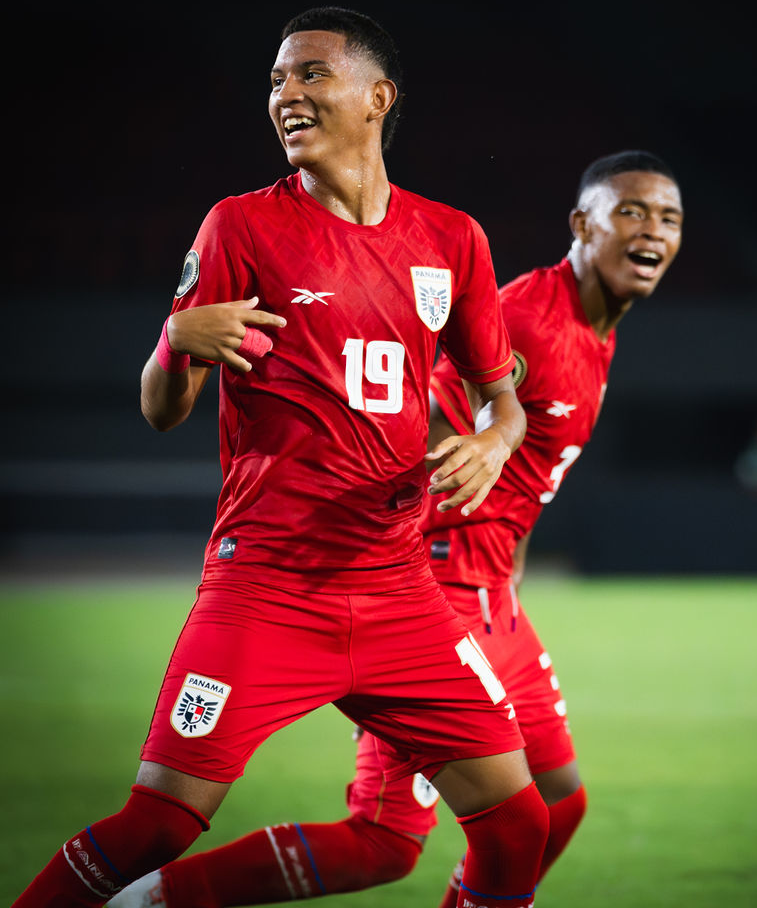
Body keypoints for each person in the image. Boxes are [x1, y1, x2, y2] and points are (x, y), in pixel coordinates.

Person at [12, 6, 552, 908]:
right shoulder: (240, 227)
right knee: (157, 825)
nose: (286, 96)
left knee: (517, 823)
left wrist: (495, 439)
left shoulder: (451, 240)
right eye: (276, 81)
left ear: (378, 98)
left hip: (397, 592)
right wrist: (174, 339)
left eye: (309, 74)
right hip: (268, 587)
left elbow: (505, 397)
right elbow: (163, 411)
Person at [108, 149, 685, 908]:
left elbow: (517, 477)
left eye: (668, 217)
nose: (651, 230)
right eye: (632, 212)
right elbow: (414, 426)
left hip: (494, 600)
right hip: (434, 590)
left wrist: (506, 560)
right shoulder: (529, 319)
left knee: (551, 809)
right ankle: (155, 897)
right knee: (387, 841)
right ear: (583, 225)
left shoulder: (595, 326)